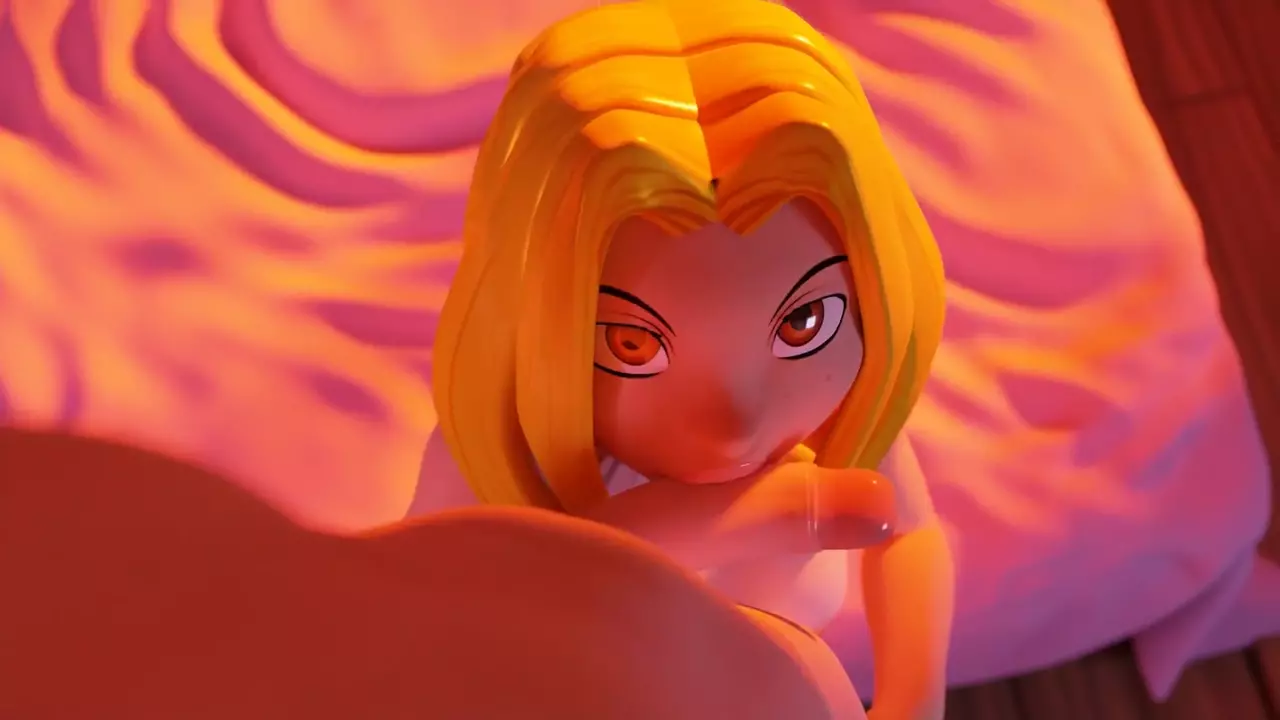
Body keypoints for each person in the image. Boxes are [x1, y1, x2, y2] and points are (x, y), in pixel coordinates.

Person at [411, 1, 955, 717]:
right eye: (632, 344)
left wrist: (912, 699)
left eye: (804, 322)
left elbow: (908, 536)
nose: (733, 427)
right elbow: (424, 613)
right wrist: (671, 527)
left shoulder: (840, 417)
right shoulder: (499, 453)